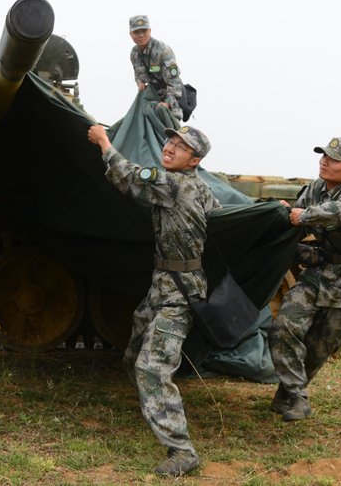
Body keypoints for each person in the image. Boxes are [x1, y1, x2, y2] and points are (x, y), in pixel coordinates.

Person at [87, 123, 220, 476]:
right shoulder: (200, 188)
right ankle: (152, 405)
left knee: (151, 366)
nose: (170, 147)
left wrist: (103, 141)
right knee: (133, 354)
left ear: (194, 160)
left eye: (181, 146)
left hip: (179, 293)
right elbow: (217, 213)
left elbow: (126, 176)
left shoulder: (173, 183)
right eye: (171, 140)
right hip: (163, 285)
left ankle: (181, 450)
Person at [269, 137, 341, 422]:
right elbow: (296, 217)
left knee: (320, 347)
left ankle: (287, 394)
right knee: (282, 327)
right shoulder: (315, 188)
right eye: (323, 156)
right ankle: (298, 396)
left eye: (334, 159)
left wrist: (304, 215)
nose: (324, 161)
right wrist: (282, 209)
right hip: (316, 276)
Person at [129, 15, 184, 121]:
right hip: (151, 100)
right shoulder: (135, 53)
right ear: (130, 34)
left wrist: (167, 104)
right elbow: (138, 74)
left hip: (170, 100)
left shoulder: (163, 51)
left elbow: (175, 84)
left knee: (170, 134)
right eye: (136, 32)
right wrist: (140, 83)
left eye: (144, 31)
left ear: (150, 30)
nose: (140, 35)